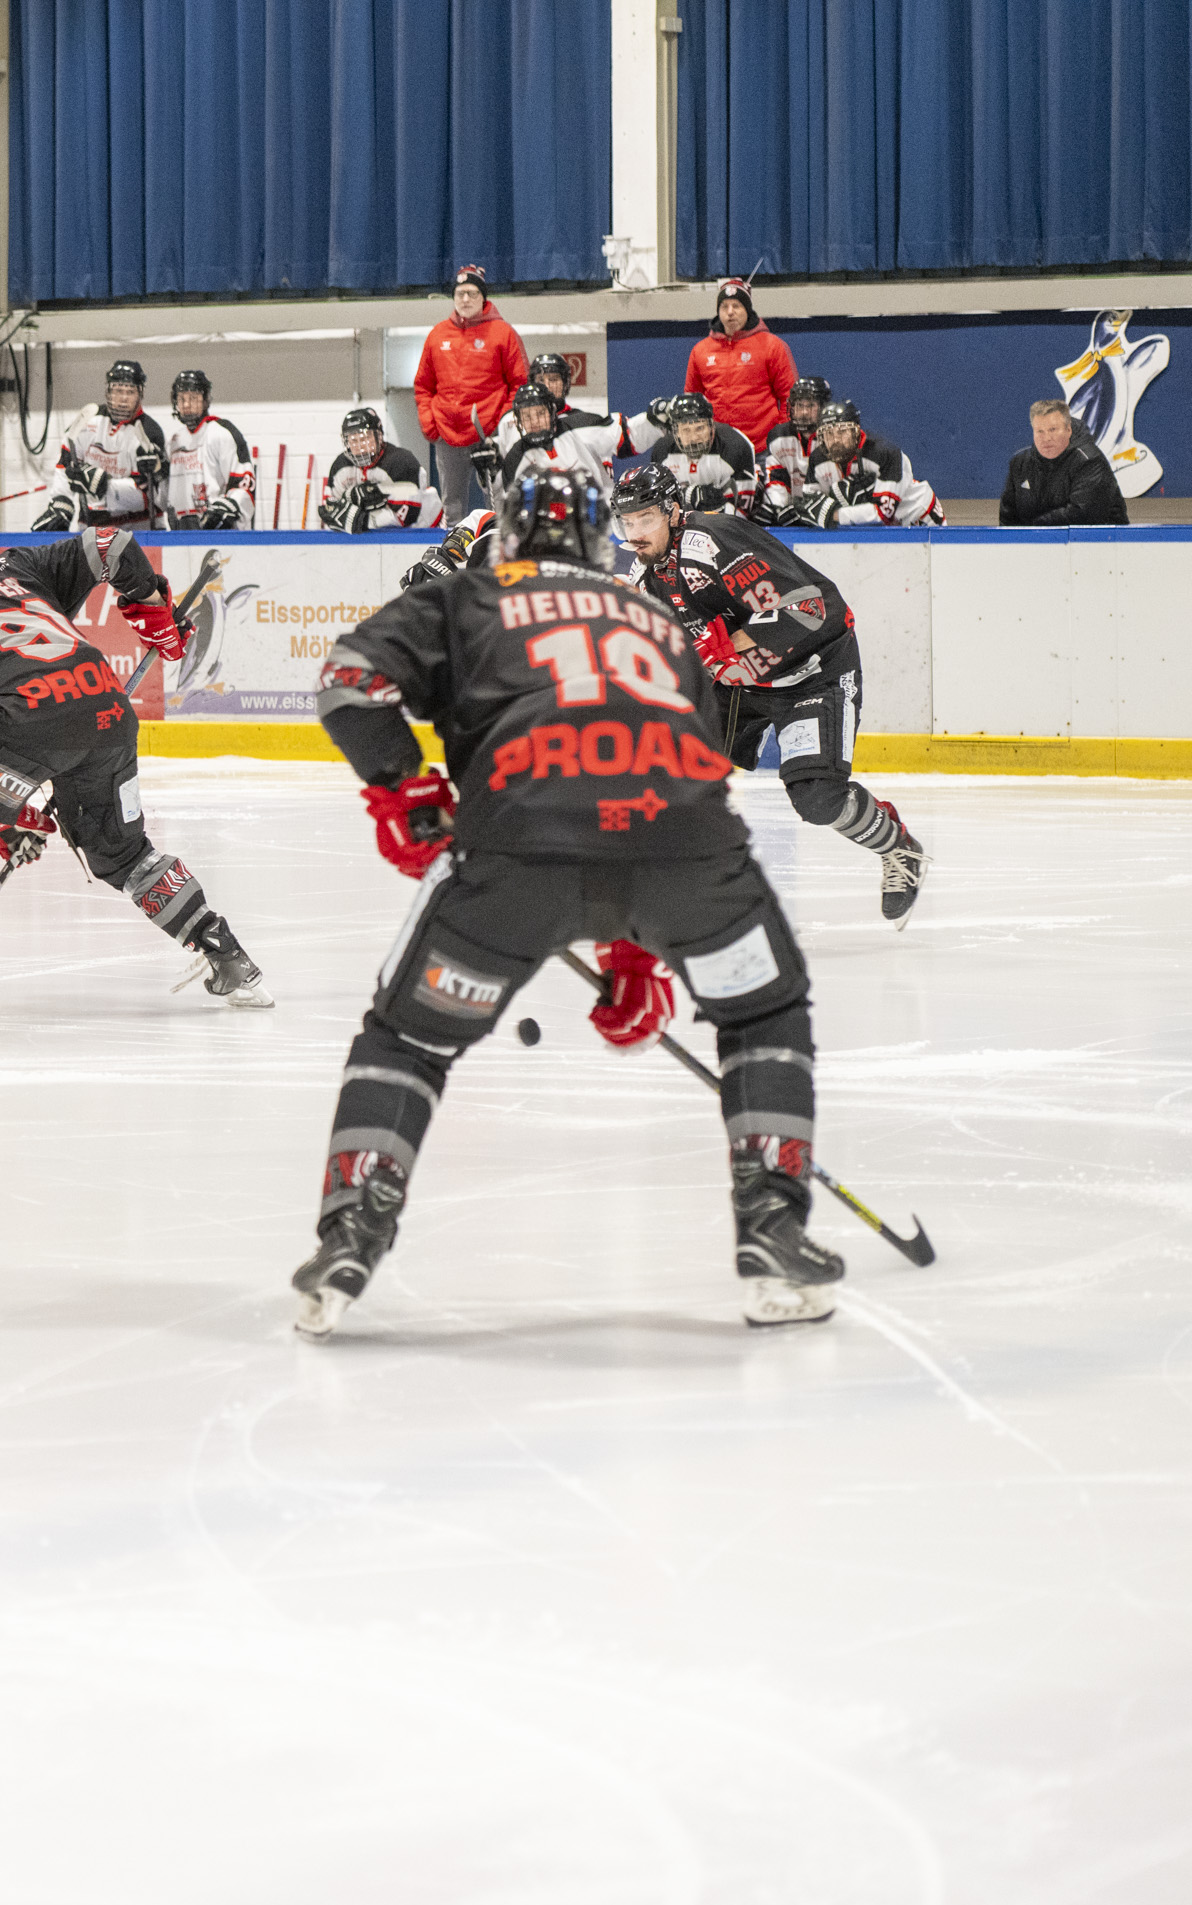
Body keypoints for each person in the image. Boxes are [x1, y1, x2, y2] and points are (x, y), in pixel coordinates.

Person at [290, 461, 842, 1338]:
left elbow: (349, 682)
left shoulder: (472, 593)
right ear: (600, 540)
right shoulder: (658, 618)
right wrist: (632, 946)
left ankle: (351, 1231)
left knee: (409, 1038)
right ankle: (774, 1228)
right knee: (764, 1010)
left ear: (509, 532)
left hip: (514, 849)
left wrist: (404, 790)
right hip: (689, 858)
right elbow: (684, 764)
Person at [0, 520, 271, 1021]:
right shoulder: (15, 566)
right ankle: (227, 956)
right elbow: (111, 544)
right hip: (108, 710)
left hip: (24, 714)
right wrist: (149, 607)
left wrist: (2, 817)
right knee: (122, 855)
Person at [611, 464, 927, 924]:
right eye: (628, 522)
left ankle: (898, 847)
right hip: (739, 683)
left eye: (646, 519)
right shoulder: (646, 576)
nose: (635, 533)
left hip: (812, 672)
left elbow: (807, 607)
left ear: (674, 511)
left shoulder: (713, 542)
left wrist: (729, 646)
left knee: (818, 798)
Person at [412, 264, 528, 515]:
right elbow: (423, 385)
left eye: (472, 293)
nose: (465, 299)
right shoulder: (437, 334)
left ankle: (498, 550)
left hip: (488, 434)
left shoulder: (503, 333)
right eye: (460, 293)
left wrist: (502, 425)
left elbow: (519, 383)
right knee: (452, 506)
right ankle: (455, 552)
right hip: (447, 435)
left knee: (497, 502)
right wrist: (430, 426)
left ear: (483, 297)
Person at [31, 359, 169, 532]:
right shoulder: (88, 421)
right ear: (108, 392)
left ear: (140, 393)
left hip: (139, 527)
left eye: (130, 392)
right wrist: (62, 502)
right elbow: (66, 464)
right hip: (92, 525)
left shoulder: (150, 432)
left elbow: (151, 495)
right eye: (118, 391)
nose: (124, 399)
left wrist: (103, 485)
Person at [683, 277, 796, 450]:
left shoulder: (772, 346)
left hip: (763, 448)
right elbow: (692, 401)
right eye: (724, 306)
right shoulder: (700, 351)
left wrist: (780, 437)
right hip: (717, 449)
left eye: (736, 306)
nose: (730, 312)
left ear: (748, 310)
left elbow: (790, 397)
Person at [788, 400, 943, 527]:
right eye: (828, 434)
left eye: (842, 432)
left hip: (917, 517)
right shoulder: (818, 459)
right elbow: (808, 503)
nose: (835, 441)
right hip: (865, 527)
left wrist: (832, 514)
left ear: (856, 432)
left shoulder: (885, 453)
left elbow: (883, 515)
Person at [609, 391, 758, 515]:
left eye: (700, 428)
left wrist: (718, 510)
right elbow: (659, 507)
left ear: (712, 425)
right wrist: (687, 496)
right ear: (675, 431)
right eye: (685, 430)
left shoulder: (736, 446)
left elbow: (744, 512)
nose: (693, 437)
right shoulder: (663, 450)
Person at [1000, 398, 1130, 526]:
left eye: (1053, 430)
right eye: (1040, 431)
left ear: (1068, 430)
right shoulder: (1020, 463)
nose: (1047, 438)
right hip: (1038, 543)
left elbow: (1083, 515)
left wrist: (1034, 531)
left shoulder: (1090, 461)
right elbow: (1008, 517)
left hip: (1100, 542)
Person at [319, 407, 440, 532]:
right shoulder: (340, 466)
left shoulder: (402, 462)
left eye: (365, 439)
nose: (360, 447)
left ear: (379, 436)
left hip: (428, 529)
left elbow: (407, 517)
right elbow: (331, 511)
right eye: (354, 440)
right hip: (373, 537)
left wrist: (359, 520)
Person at [161, 368, 255, 529]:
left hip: (216, 530)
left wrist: (228, 509)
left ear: (205, 400)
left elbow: (244, 483)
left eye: (193, 398)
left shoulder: (222, 432)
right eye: (181, 399)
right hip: (179, 531)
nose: (187, 404)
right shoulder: (174, 442)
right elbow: (164, 498)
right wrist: (157, 474)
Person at [487, 352, 610, 458]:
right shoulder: (510, 419)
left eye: (553, 379)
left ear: (565, 384)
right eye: (540, 380)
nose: (546, 385)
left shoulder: (583, 422)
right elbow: (498, 478)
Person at [751, 376, 834, 525]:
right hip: (793, 512)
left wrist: (809, 509)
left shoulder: (834, 438)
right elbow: (777, 481)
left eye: (810, 406)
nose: (803, 412)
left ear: (823, 407)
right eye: (798, 405)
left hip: (828, 516)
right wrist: (778, 509)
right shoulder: (778, 436)